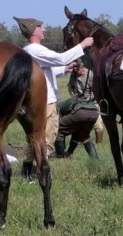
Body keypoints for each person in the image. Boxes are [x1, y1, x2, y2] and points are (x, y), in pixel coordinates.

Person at [14, 16, 94, 176]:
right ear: (33, 31)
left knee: (33, 138)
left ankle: (26, 173)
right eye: (40, 27)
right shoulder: (36, 50)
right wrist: (82, 45)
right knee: (46, 138)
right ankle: (39, 174)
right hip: (46, 102)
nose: (44, 30)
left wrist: (65, 69)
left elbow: (45, 70)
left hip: (36, 103)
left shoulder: (28, 51)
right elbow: (60, 58)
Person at [57, 60, 103, 159]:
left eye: (81, 68)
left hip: (92, 102)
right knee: (83, 134)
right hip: (78, 103)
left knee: (98, 125)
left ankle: (60, 156)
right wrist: (76, 99)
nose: (80, 70)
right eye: (77, 69)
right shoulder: (73, 76)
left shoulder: (90, 75)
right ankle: (94, 160)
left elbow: (97, 89)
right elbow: (71, 87)